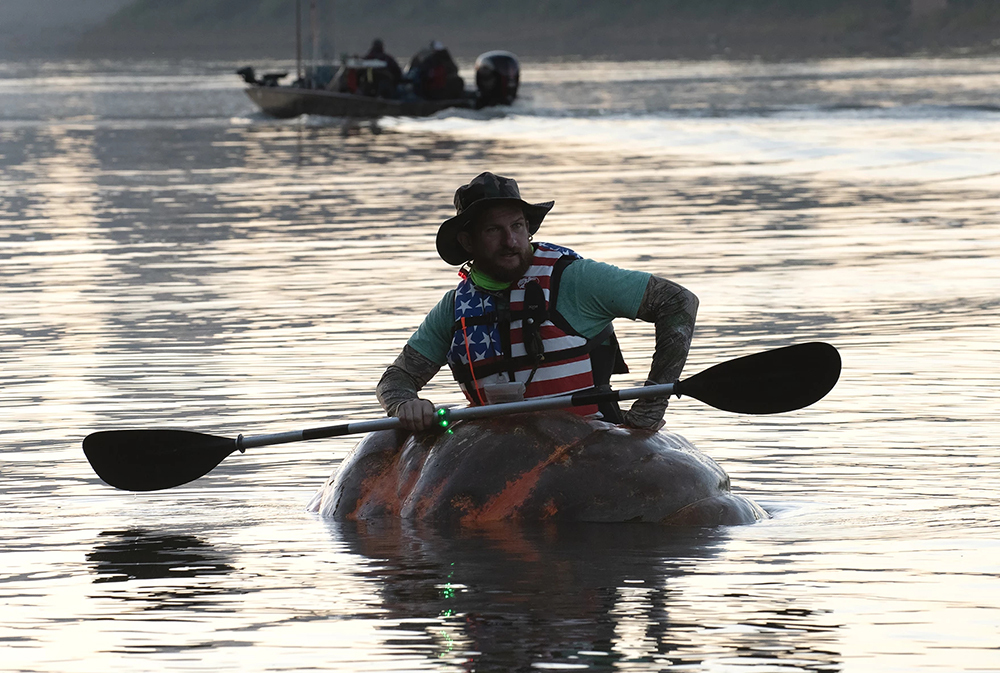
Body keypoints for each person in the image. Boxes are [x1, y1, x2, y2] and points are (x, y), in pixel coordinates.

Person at [377, 172, 700, 433]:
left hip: (590, 443)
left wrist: (652, 402)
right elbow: (396, 380)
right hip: (494, 452)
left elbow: (678, 302)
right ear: (467, 241)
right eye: (493, 230)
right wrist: (406, 404)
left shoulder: (574, 279)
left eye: (517, 226)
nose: (511, 241)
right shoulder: (453, 309)